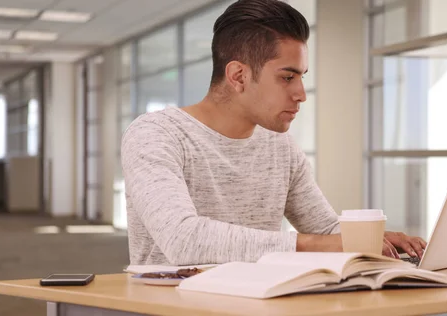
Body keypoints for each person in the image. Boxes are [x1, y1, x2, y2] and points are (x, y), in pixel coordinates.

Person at [121, 0, 426, 265]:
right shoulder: (155, 135)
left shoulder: (280, 145)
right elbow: (182, 239)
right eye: (287, 77)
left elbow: (324, 231)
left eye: (302, 76)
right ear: (238, 76)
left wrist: (372, 240)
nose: (301, 94)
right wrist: (311, 245)